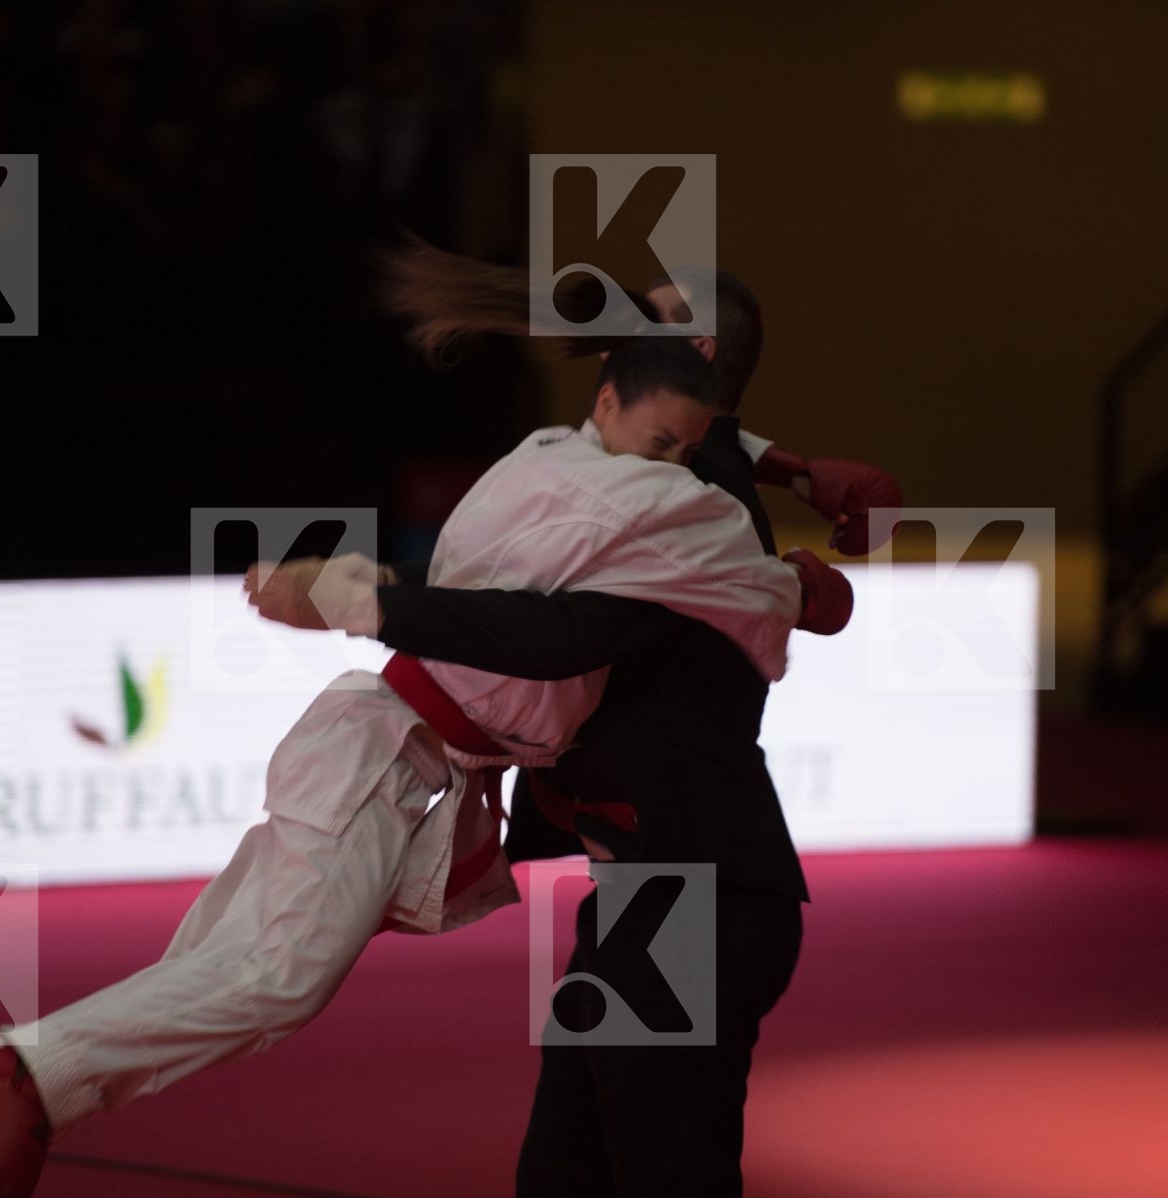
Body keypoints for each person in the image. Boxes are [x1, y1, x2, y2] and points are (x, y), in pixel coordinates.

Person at [0, 336, 829, 1198]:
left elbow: (511, 594)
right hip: (390, 761)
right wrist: (795, 581)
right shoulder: (641, 510)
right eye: (661, 445)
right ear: (607, 403)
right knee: (277, 981)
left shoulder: (546, 467)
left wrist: (791, 489)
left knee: (230, 958)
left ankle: (50, 1072)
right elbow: (549, 632)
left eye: (685, 451)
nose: (671, 468)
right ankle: (40, 1073)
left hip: (409, 766)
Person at [371, 243, 901, 1195]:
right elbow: (712, 443)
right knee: (565, 1171)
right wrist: (791, 465)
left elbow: (549, 634)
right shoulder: (666, 481)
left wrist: (368, 605)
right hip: (657, 896)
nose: (610, 340)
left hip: (695, 898)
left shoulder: (683, 513)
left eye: (640, 323)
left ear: (689, 353)